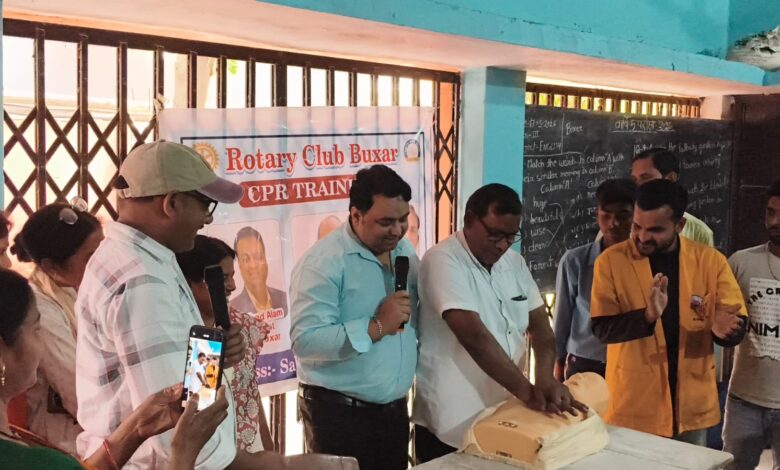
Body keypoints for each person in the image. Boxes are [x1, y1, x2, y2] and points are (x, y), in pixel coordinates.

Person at [75, 140, 284, 469]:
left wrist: (213, 356)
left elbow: (178, 385)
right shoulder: (142, 282)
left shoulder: (141, 258)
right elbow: (174, 425)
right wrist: (255, 464)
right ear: (171, 203)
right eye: (205, 205)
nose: (206, 219)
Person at [413, 183, 586, 463]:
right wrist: (529, 394)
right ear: (469, 219)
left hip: (504, 416)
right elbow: (474, 337)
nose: (503, 245)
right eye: (495, 235)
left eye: (511, 236)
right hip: (453, 422)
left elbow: (541, 327)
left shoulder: (514, 263)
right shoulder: (442, 260)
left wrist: (544, 378)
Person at [0, 267, 230, 470]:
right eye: (36, 329)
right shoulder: (30, 462)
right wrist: (183, 452)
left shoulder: (14, 439)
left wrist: (136, 428)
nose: (42, 342)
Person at [590, 179, 747, 444]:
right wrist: (647, 316)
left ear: (679, 225)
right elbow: (602, 329)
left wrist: (725, 331)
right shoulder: (610, 262)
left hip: (693, 406)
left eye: (655, 230)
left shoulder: (710, 261)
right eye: (637, 226)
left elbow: (736, 322)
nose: (642, 237)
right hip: (633, 406)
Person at [290, 164, 419, 470]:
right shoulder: (323, 262)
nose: (397, 230)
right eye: (386, 222)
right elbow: (305, 341)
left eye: (403, 220)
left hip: (393, 414)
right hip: (339, 417)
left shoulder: (402, 249)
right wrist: (376, 326)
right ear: (356, 215)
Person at [7, 201, 103, 454]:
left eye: (104, 251)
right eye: (91, 257)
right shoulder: (40, 309)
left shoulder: (82, 290)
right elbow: (80, 393)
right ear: (51, 266)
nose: (103, 262)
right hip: (65, 443)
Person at [176, 234, 274, 452]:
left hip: (253, 450)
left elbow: (251, 393)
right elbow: (195, 406)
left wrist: (269, 450)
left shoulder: (242, 327)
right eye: (221, 279)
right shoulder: (179, 336)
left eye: (232, 276)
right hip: (210, 454)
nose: (232, 286)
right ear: (189, 283)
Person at [722, 179, 780, 469]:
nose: (775, 221)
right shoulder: (741, 262)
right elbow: (723, 323)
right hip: (744, 400)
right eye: (771, 212)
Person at [554, 179, 636, 381]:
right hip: (586, 361)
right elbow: (562, 318)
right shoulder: (575, 261)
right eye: (606, 216)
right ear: (596, 215)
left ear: (636, 216)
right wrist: (558, 362)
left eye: (623, 216)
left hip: (632, 361)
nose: (613, 224)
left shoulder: (645, 261)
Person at [630, 147, 714, 246]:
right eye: (634, 180)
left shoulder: (699, 232)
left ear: (670, 178)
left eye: (646, 177)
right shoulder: (622, 223)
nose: (638, 185)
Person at [231, 226, 288, 316]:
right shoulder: (233, 310)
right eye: (246, 259)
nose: (253, 265)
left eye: (258, 257)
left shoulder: (285, 298)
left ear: (265, 259)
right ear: (240, 266)